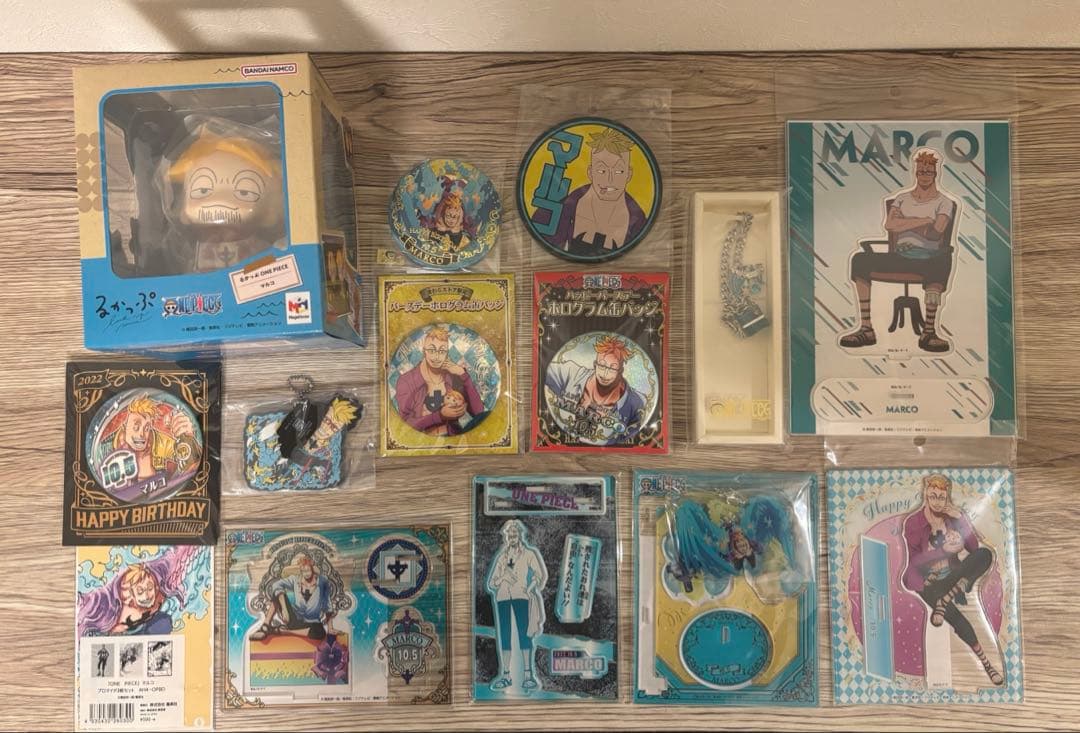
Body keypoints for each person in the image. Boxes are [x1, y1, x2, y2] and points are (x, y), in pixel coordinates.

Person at [840, 148, 957, 353]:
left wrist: (905, 223)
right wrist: (924, 220)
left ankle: (929, 332)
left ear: (935, 173)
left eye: (928, 171)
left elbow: (936, 233)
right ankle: (866, 329)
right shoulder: (902, 198)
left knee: (942, 260)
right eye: (921, 171)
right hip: (901, 255)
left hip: (929, 258)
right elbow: (890, 225)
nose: (924, 174)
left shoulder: (944, 202)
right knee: (860, 259)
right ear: (915, 172)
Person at [902, 474, 1004, 686]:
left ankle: (949, 595)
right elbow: (914, 563)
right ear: (925, 494)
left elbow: (973, 548)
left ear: (947, 496)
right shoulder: (913, 523)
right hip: (928, 584)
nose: (937, 502)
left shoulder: (951, 518)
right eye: (933, 496)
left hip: (952, 578)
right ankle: (987, 665)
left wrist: (960, 518)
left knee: (984, 555)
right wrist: (943, 551)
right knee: (959, 620)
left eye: (941, 497)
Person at [167, 125, 284, 272]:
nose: (219, 200)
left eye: (244, 192)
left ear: (270, 209)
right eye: (202, 191)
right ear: (183, 206)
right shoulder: (187, 250)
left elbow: (274, 268)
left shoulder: (261, 248)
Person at [533, 127, 647, 257]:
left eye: (618, 171)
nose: (610, 180)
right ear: (590, 173)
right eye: (602, 171)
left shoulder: (638, 221)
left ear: (628, 174)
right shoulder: (555, 213)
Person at [545, 334, 646, 444]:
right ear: (595, 365)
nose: (605, 374)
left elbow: (633, 439)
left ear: (621, 371)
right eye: (602, 366)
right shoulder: (571, 374)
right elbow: (541, 369)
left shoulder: (637, 403)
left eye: (612, 368)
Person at [94, 393, 200, 497]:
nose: (141, 434)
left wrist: (188, 438)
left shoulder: (160, 442)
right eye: (136, 427)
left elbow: (191, 463)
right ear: (125, 426)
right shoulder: (104, 448)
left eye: (147, 428)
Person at [486, 520, 547, 692]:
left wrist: (530, 587)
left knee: (524, 634)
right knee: (504, 636)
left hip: (522, 597)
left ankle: (528, 676)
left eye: (514, 534)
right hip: (503, 598)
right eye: (509, 535)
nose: (511, 537)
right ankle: (506, 675)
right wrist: (503, 577)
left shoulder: (529, 554)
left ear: (520, 535)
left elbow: (539, 575)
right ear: (506, 537)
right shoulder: (502, 557)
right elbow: (491, 583)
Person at [394, 326, 485, 436]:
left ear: (447, 353)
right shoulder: (407, 381)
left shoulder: (454, 375)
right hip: (422, 441)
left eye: (442, 351)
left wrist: (464, 376)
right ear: (424, 351)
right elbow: (404, 426)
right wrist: (439, 416)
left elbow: (479, 414)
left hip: (455, 438)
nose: (437, 356)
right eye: (432, 350)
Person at [250, 553, 334, 642]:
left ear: (312, 569)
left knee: (320, 632)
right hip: (294, 620)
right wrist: (284, 609)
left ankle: (284, 631)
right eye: (303, 571)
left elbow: (328, 606)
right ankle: (265, 627)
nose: (306, 574)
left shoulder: (322, 582)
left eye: (308, 570)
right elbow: (276, 585)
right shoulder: (295, 579)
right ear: (301, 571)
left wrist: (330, 628)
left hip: (312, 624)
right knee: (277, 594)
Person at [418, 175, 477, 252]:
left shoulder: (463, 204)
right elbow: (436, 212)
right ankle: (432, 248)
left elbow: (466, 217)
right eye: (456, 190)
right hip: (441, 225)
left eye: (460, 190)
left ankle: (453, 251)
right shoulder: (443, 199)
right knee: (434, 242)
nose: (458, 192)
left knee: (454, 246)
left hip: (455, 229)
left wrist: (468, 229)